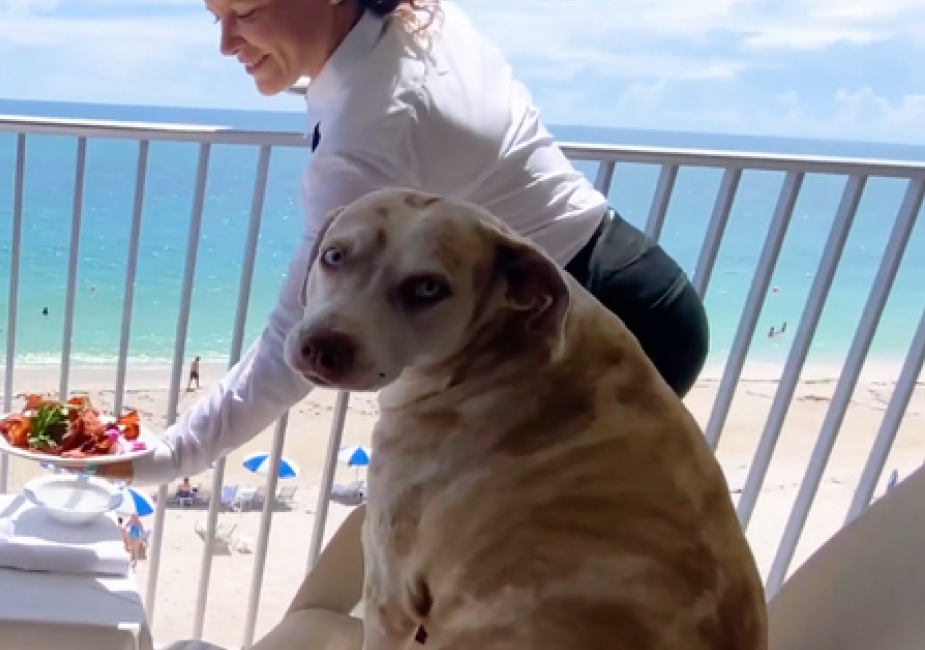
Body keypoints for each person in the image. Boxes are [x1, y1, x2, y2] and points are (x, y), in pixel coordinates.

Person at [90, 0, 708, 486]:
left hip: (580, 330)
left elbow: (291, 345)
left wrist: (168, 456)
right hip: (638, 285)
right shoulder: (413, 19)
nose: (225, 43)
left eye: (247, 12)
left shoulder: (371, 136)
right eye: (215, 16)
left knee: (497, 565)